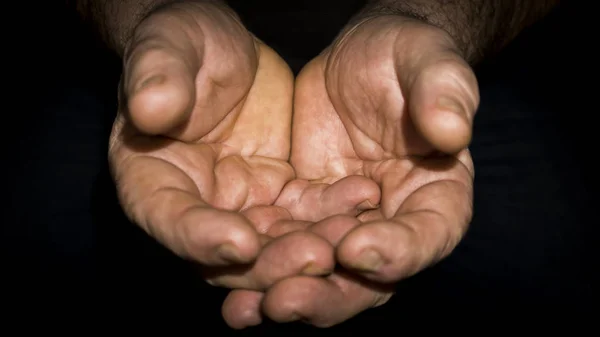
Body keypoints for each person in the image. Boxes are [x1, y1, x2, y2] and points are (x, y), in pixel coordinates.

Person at [14, 0, 589, 333]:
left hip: (441, 65)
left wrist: (429, 18)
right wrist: (148, 17)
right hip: (147, 67)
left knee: (550, 248)